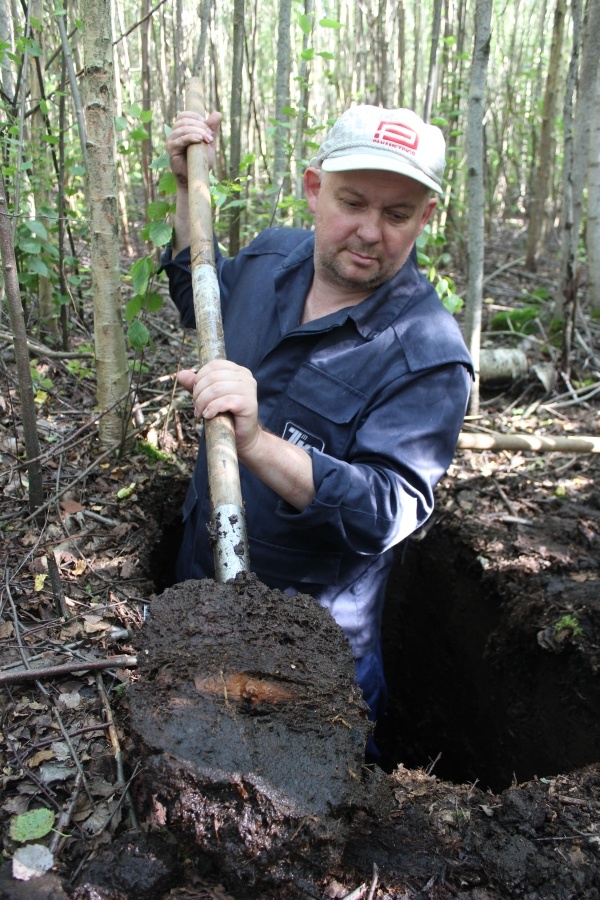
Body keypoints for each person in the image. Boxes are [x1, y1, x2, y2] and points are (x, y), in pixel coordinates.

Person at [162, 104, 473, 761]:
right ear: (313, 188)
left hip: (309, 658)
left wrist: (257, 444)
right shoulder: (270, 257)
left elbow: (385, 510)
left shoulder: (428, 355)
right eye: (352, 202)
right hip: (194, 597)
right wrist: (189, 190)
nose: (369, 232)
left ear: (425, 217)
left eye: (396, 214)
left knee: (317, 808)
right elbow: (200, 296)